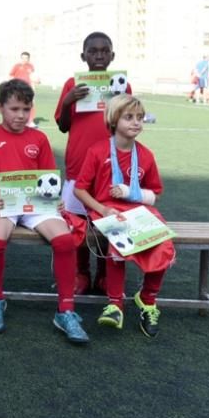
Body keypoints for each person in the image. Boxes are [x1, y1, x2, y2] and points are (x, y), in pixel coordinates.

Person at [0, 79, 88, 344]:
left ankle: (66, 310)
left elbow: (48, 177)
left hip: (36, 204)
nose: (20, 115)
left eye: (25, 110)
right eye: (14, 109)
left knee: (64, 240)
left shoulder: (39, 138)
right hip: (3, 203)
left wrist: (56, 201)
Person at [73, 94, 171, 338]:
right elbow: (80, 189)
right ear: (114, 120)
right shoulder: (97, 151)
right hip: (106, 209)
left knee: (163, 243)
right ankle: (115, 304)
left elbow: (155, 194)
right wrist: (103, 209)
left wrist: (133, 194)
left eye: (140, 118)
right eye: (129, 117)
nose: (136, 122)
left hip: (138, 210)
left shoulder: (146, 155)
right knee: (119, 243)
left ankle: (147, 300)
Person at [54, 31, 129, 295]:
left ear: (112, 55)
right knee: (78, 223)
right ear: (83, 56)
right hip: (78, 166)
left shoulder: (121, 86)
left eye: (104, 50)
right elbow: (63, 126)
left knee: (108, 220)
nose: (99, 55)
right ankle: (81, 272)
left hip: (112, 168)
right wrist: (67, 102)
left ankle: (104, 274)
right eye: (93, 51)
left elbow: (128, 124)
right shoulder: (71, 85)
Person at [9, 51, 37, 126]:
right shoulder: (16, 66)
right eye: (23, 58)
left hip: (28, 88)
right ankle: (16, 119)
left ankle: (30, 121)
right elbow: (11, 76)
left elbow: (32, 77)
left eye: (26, 58)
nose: (25, 59)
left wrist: (33, 86)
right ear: (21, 58)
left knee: (31, 104)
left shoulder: (31, 66)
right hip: (18, 88)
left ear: (29, 59)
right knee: (17, 103)